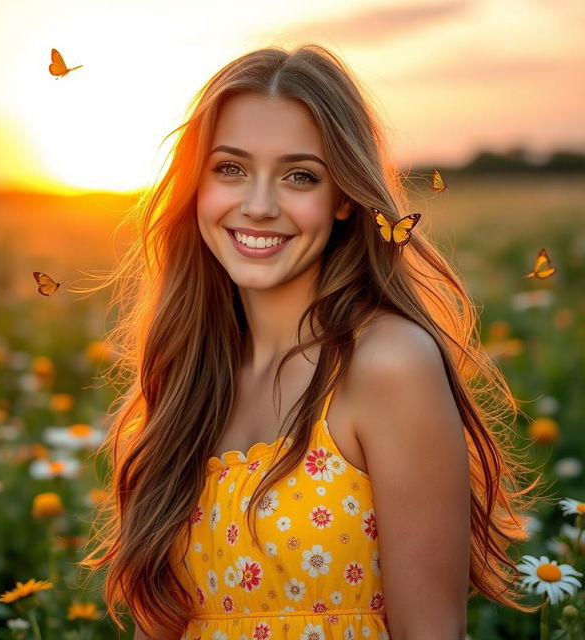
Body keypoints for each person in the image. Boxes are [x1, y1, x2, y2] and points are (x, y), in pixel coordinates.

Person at [79, 44, 546, 640]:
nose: (258, 205)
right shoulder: (189, 377)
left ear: (346, 197)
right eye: (230, 168)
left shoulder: (386, 364)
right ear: (196, 186)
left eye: (299, 176)